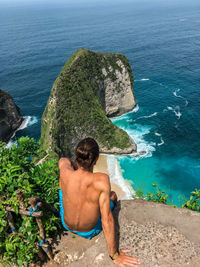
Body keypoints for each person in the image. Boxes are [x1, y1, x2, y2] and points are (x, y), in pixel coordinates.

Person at [59, 137, 140, 266]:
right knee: (112, 196)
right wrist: (115, 256)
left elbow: (63, 160)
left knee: (63, 191)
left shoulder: (64, 170)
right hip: (89, 231)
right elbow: (106, 219)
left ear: (76, 156)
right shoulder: (101, 180)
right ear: (96, 159)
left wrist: (76, 167)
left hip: (66, 223)